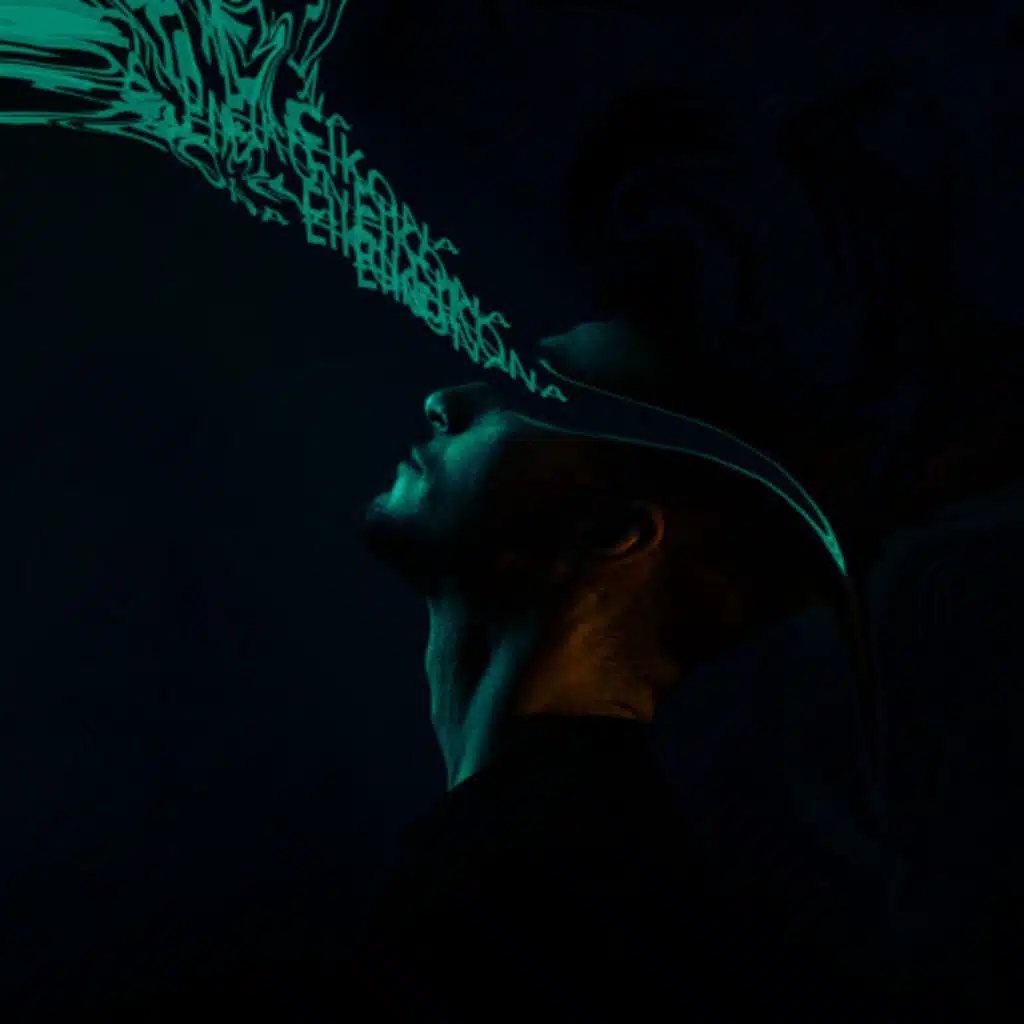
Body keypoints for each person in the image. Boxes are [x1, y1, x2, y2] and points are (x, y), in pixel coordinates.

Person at [344, 319, 894, 1020]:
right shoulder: (551, 863)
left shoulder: (551, 900)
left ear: (614, 532)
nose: (445, 400)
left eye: (532, 389)